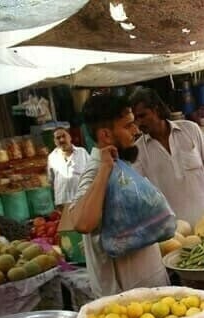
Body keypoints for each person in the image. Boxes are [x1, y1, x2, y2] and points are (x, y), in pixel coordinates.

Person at [70, 93, 170, 297]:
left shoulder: (121, 164)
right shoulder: (96, 171)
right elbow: (82, 224)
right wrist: (105, 169)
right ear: (106, 135)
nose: (136, 131)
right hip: (126, 302)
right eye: (128, 126)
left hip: (151, 290)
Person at [129, 88, 204, 227]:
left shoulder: (191, 130)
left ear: (156, 110)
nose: (138, 123)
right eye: (135, 119)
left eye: (142, 116)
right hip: (177, 231)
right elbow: (140, 194)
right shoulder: (138, 150)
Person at [47, 128, 90, 206]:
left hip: (82, 199)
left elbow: (92, 173)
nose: (62, 140)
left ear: (70, 137)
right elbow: (51, 180)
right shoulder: (52, 157)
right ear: (55, 141)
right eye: (58, 138)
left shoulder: (82, 152)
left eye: (64, 136)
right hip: (63, 201)